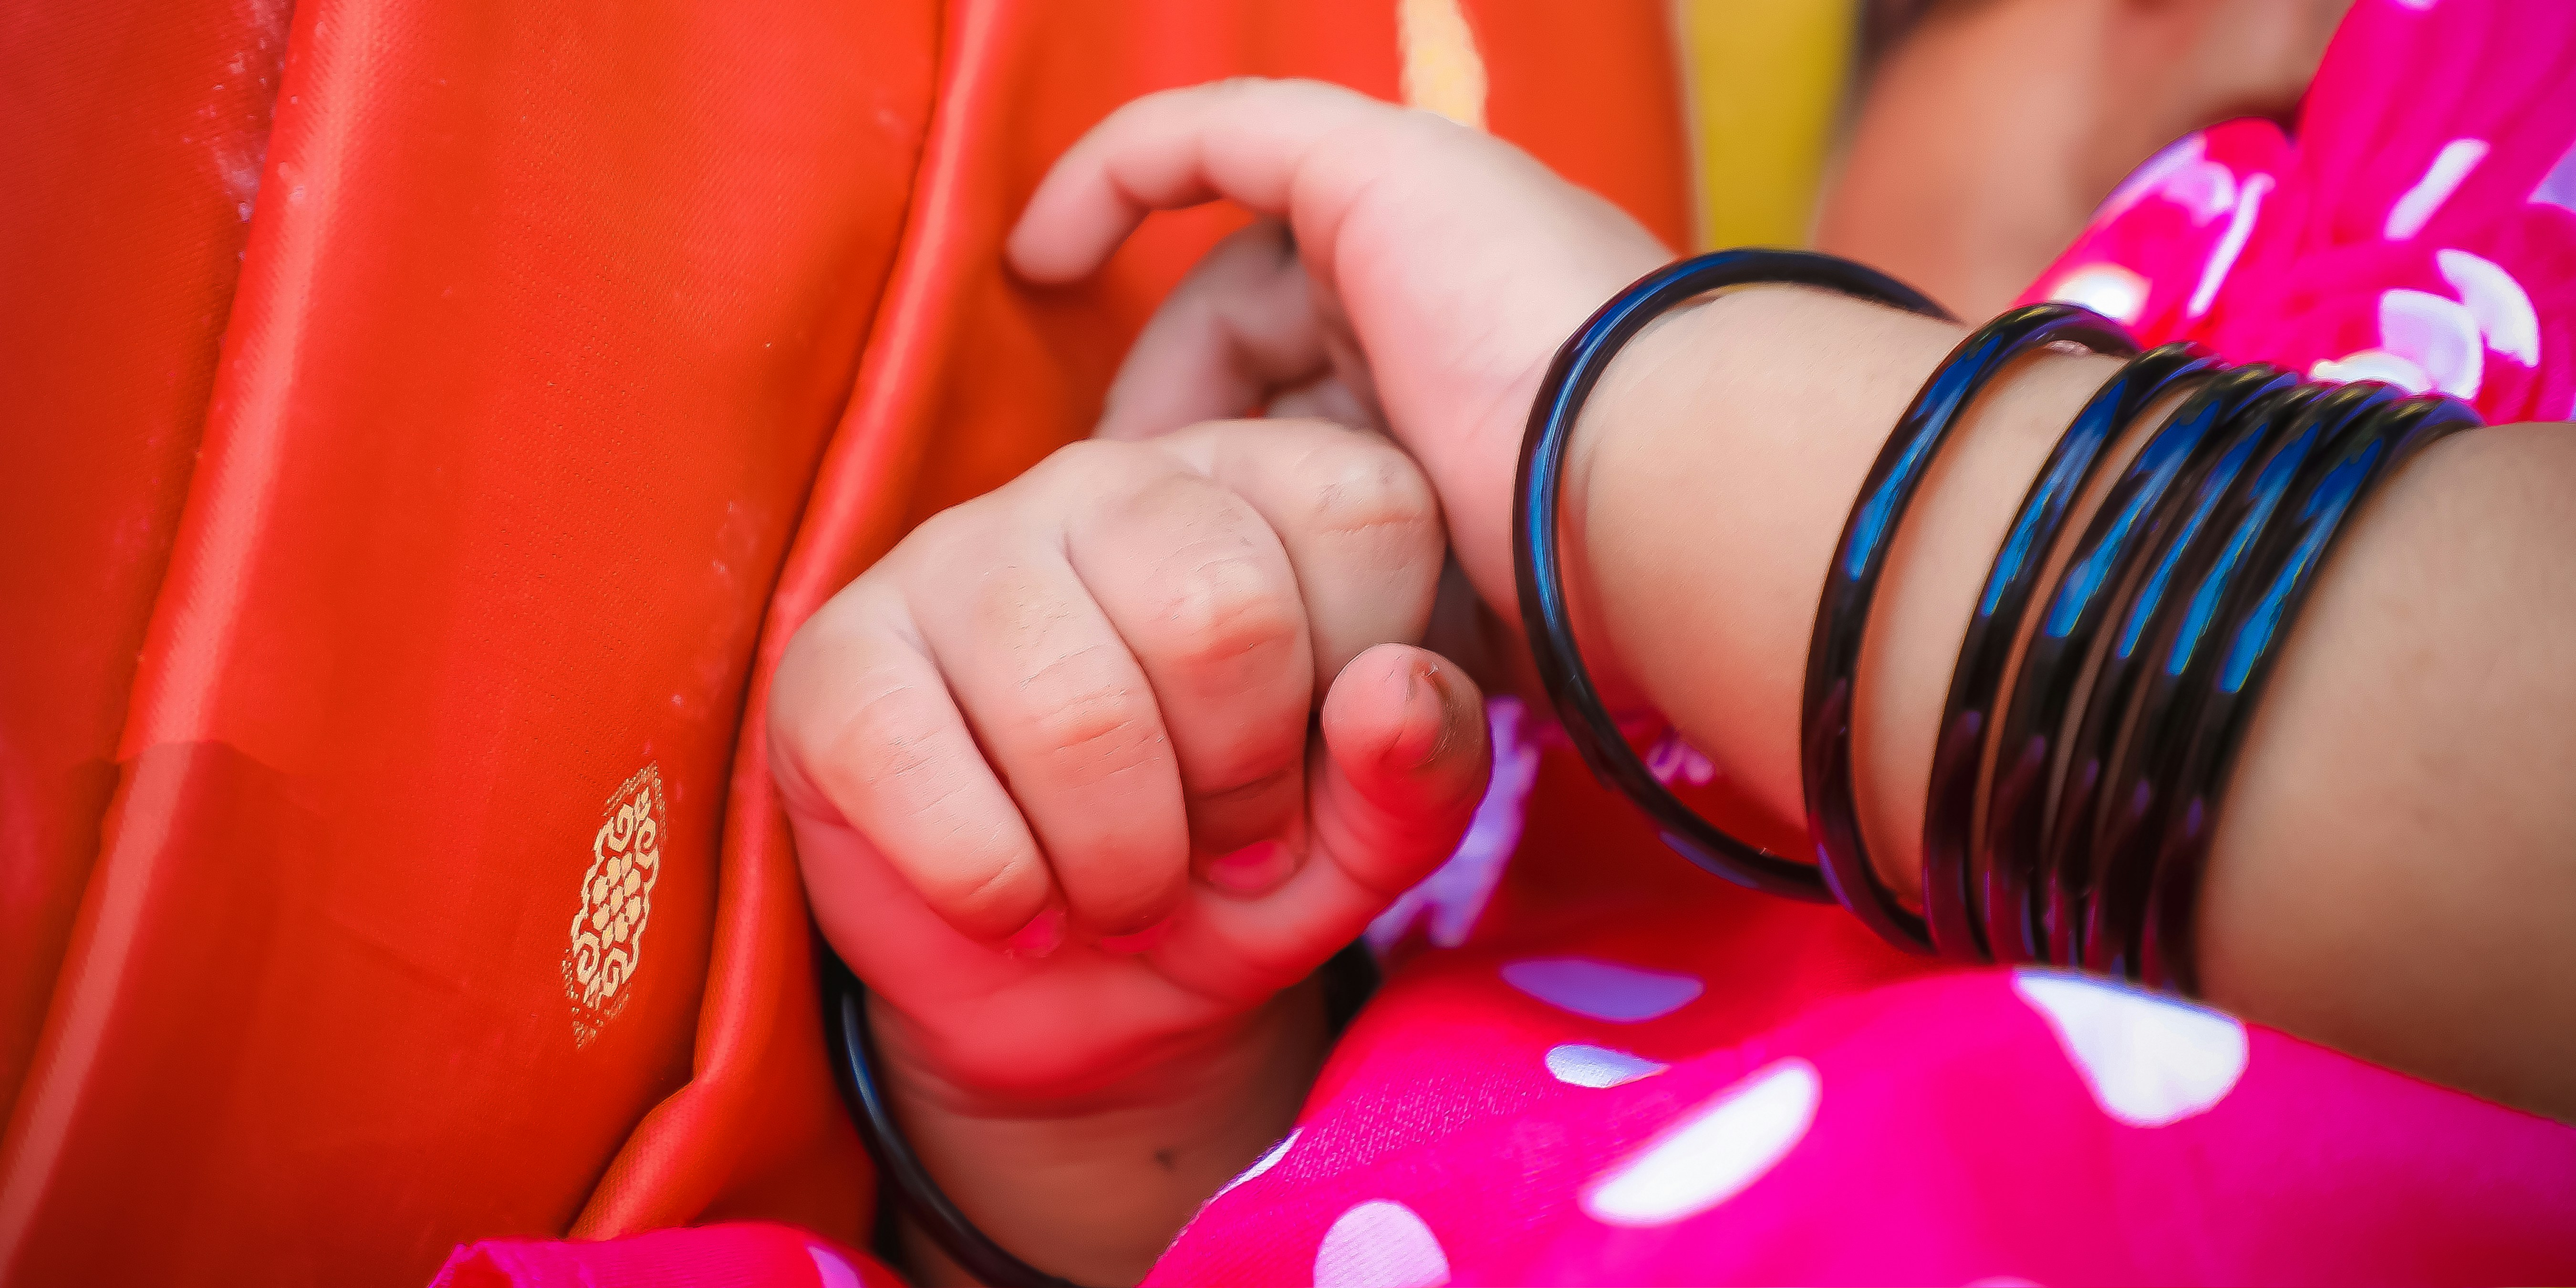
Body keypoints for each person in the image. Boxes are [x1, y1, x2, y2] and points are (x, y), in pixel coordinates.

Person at [770, 0, 2576, 1282]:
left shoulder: (1639, 453)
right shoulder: (1515, 747)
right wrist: (1111, 1092)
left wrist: (1637, 413)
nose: (2284, 36)